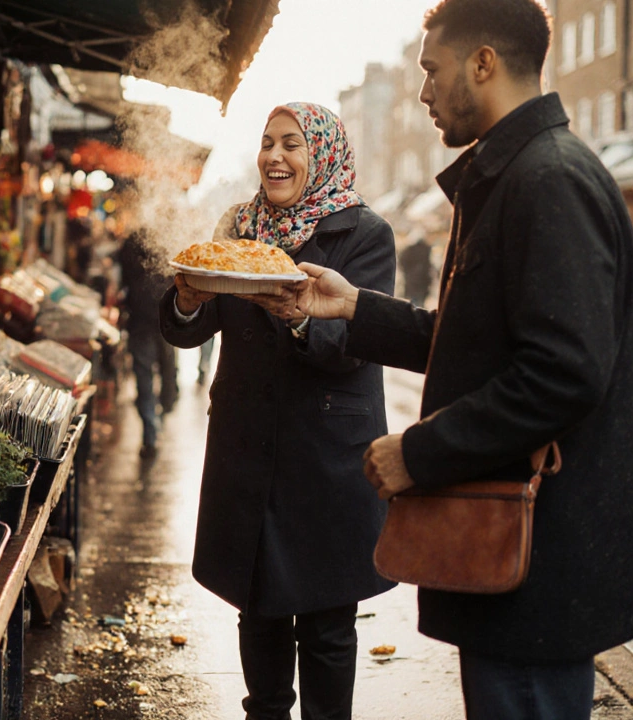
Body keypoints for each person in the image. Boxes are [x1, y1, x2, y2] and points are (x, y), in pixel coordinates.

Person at [282, 1, 633, 716]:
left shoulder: (549, 180)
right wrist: (356, 305)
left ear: (482, 62)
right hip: (512, 552)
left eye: (430, 69)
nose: (421, 91)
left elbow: (562, 373)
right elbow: (477, 343)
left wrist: (420, 452)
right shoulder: (519, 174)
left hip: (536, 563)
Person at [160, 102, 397, 720]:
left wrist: (298, 323)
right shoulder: (238, 227)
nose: (274, 156)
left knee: (325, 622)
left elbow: (358, 345)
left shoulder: (364, 234)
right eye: (267, 143)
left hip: (326, 458)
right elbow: (192, 327)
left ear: (322, 154)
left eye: (291, 144)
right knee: (258, 606)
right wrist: (187, 299)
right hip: (247, 447)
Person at [118, 231, 177, 458]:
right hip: (165, 317)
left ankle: (151, 431)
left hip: (142, 319)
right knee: (166, 368)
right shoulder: (168, 237)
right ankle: (162, 412)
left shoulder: (131, 241)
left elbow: (124, 278)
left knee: (144, 375)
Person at [398, 228, 433, 307]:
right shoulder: (426, 249)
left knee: (412, 302)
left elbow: (402, 262)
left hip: (413, 280)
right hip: (422, 280)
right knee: (419, 302)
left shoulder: (408, 250)